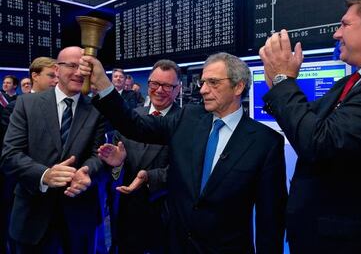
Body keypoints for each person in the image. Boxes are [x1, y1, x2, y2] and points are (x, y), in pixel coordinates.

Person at [259, 0, 361, 253]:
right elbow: (309, 123)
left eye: (344, 24)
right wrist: (278, 84)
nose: (336, 33)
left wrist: (284, 81)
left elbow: (319, 142)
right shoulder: (353, 82)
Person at [81, 52, 287, 253]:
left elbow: (270, 221)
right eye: (203, 82)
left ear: (238, 87)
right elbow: (134, 125)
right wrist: (103, 85)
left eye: (213, 83)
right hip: (176, 244)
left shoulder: (265, 142)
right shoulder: (187, 118)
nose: (204, 90)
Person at [0, 46, 107, 253]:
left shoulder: (96, 109)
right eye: (72, 66)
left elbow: (97, 155)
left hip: (79, 215)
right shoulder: (26, 104)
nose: (78, 72)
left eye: (83, 67)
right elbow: (10, 155)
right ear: (57, 70)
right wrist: (45, 175)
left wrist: (87, 171)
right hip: (32, 215)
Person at [106, 59, 181, 254]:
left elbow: (185, 169)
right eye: (155, 84)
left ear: (178, 89)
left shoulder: (186, 122)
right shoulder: (131, 118)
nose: (159, 90)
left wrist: (149, 177)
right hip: (127, 213)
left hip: (164, 213)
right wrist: (117, 165)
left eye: (167, 85)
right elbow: (115, 167)